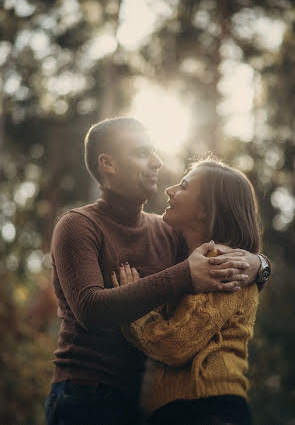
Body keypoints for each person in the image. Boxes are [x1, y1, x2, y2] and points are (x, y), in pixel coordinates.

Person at [45, 118, 270, 425]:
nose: (158, 162)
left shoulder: (167, 231)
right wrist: (185, 276)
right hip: (87, 395)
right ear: (108, 164)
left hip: (149, 402)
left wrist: (259, 264)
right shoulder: (77, 226)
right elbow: (91, 310)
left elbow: (221, 240)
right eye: (142, 153)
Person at [113, 158, 269, 424]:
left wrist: (132, 306)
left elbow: (175, 344)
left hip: (206, 409)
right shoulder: (191, 259)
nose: (169, 190)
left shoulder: (221, 263)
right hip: (183, 408)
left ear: (205, 211)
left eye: (183, 186)